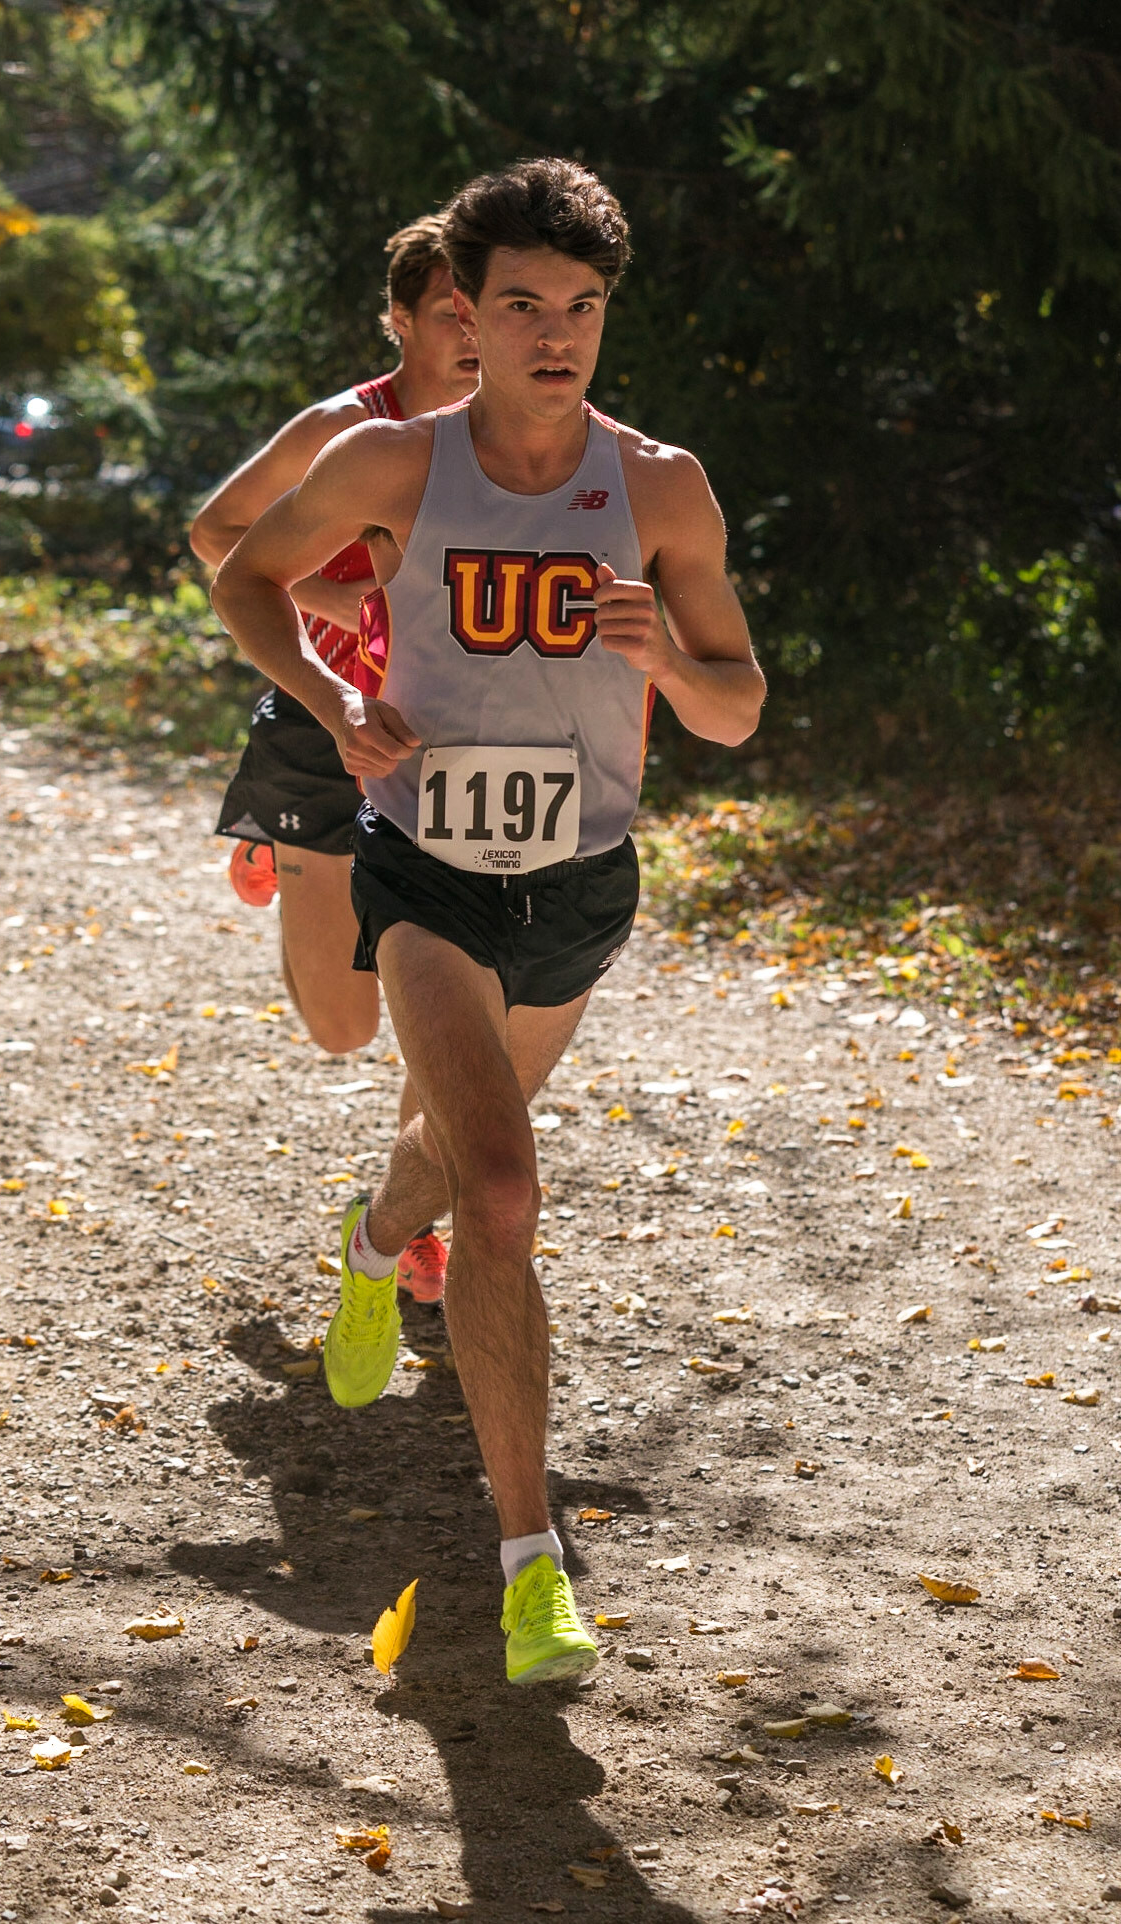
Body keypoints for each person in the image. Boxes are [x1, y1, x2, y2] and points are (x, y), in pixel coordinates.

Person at [211, 158, 766, 1686]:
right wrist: (334, 708)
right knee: (505, 1191)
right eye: (520, 304)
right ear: (462, 309)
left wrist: (668, 664)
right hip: (425, 874)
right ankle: (532, 1573)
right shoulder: (395, 463)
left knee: (454, 1155)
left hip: (578, 884)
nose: (552, 334)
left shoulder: (660, 487)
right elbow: (247, 575)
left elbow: (734, 708)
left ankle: (373, 1240)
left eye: (580, 307)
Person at [191, 215, 477, 1303]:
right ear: (399, 319)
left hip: (449, 745)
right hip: (326, 723)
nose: (469, 334)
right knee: (342, 1026)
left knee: (454, 1004)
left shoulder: (516, 440)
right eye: (446, 312)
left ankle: (411, 1218)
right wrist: (330, 599)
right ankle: (281, 854)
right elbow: (216, 532)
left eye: (482, 311)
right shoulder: (345, 428)